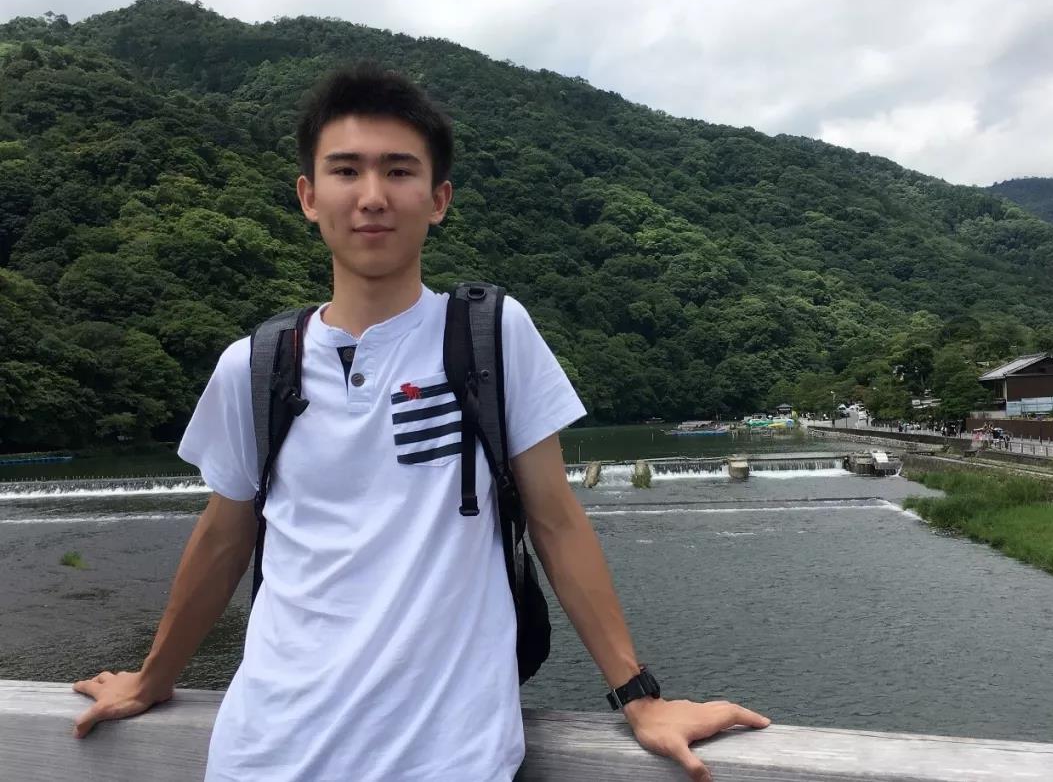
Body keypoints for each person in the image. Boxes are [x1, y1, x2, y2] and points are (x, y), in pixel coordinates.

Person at [70, 65, 769, 782]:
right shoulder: (255, 365)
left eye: (399, 171)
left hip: (450, 760)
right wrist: (152, 678)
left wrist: (640, 698)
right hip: (266, 756)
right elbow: (223, 539)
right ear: (309, 196)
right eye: (346, 170)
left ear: (438, 200)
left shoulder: (491, 337)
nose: (372, 196)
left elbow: (556, 522)